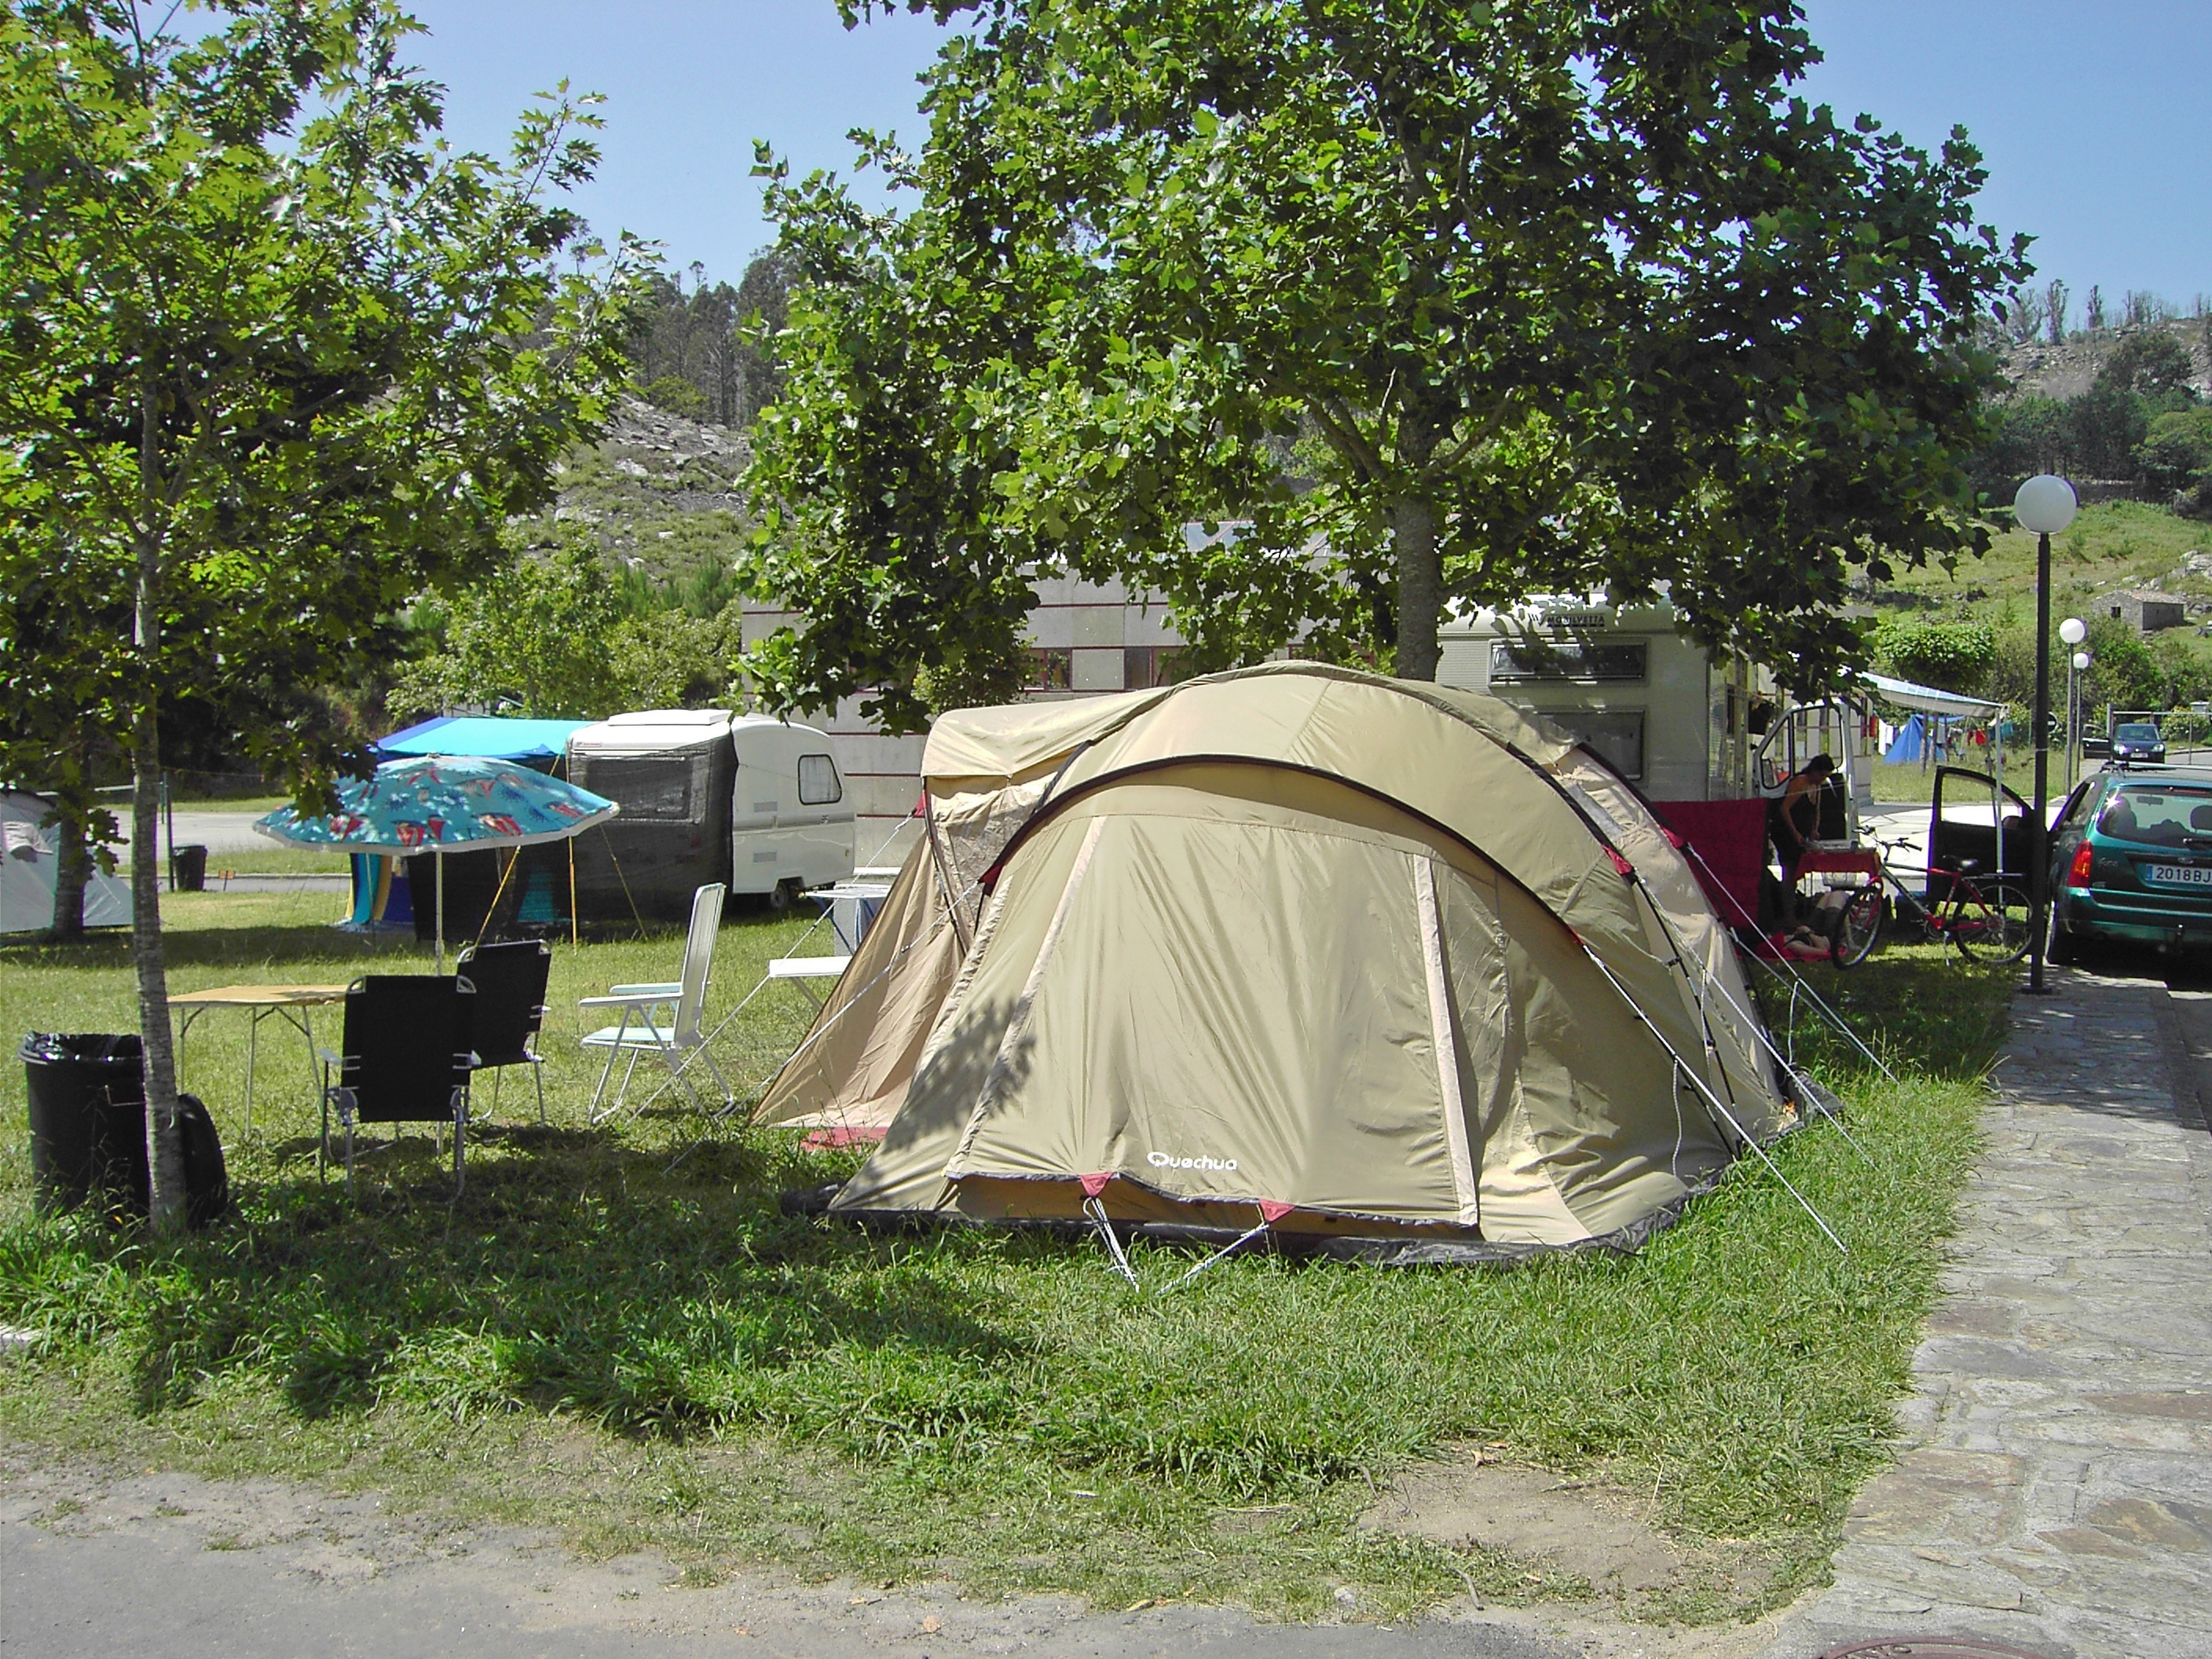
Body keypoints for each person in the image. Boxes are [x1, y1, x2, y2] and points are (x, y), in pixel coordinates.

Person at [1769, 753, 1837, 942]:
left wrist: (1814, 829)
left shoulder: (1817, 786)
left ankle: (1795, 912)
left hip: (1803, 834)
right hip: (1787, 834)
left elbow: (1816, 810)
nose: (1822, 779)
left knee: (1797, 872)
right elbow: (1785, 809)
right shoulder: (1800, 782)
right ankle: (1788, 917)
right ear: (1814, 770)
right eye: (1821, 775)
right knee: (1789, 873)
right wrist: (1795, 833)